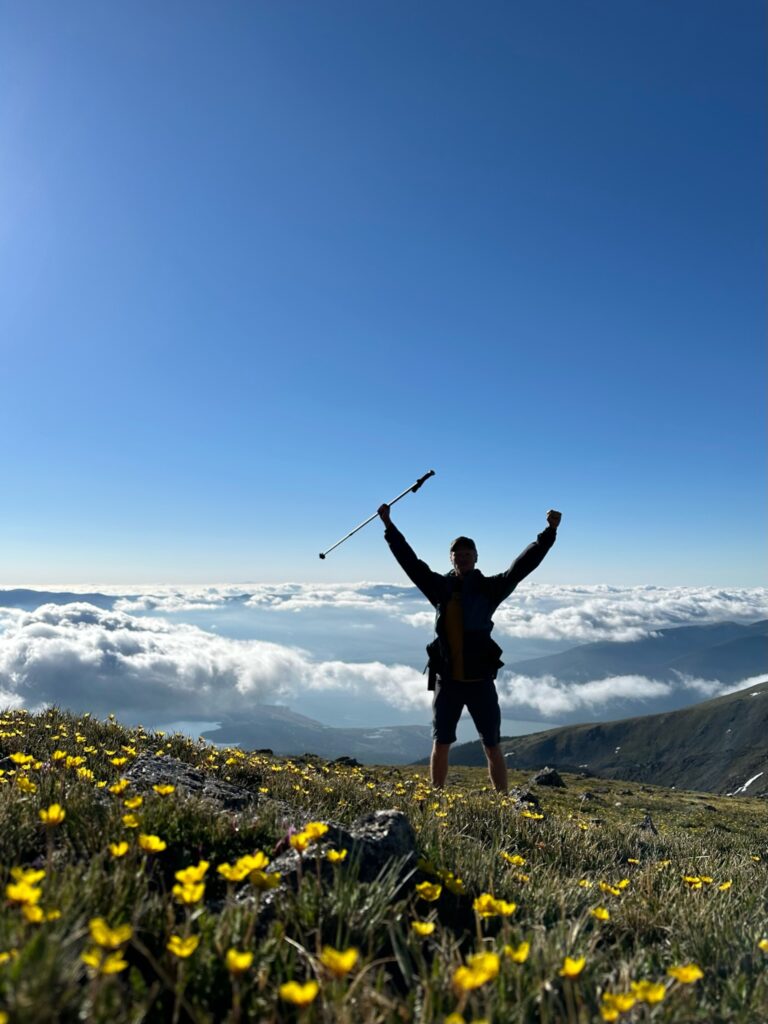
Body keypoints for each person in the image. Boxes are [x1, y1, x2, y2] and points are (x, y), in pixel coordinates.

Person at [377, 504, 561, 792]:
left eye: (467, 554)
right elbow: (410, 563)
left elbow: (523, 565)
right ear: (451, 559)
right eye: (457, 555)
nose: (462, 558)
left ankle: (502, 804)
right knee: (441, 742)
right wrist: (389, 527)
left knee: (492, 745)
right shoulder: (440, 588)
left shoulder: (491, 588)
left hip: (480, 682)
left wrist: (549, 533)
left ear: (476, 558)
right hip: (447, 680)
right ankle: (436, 797)